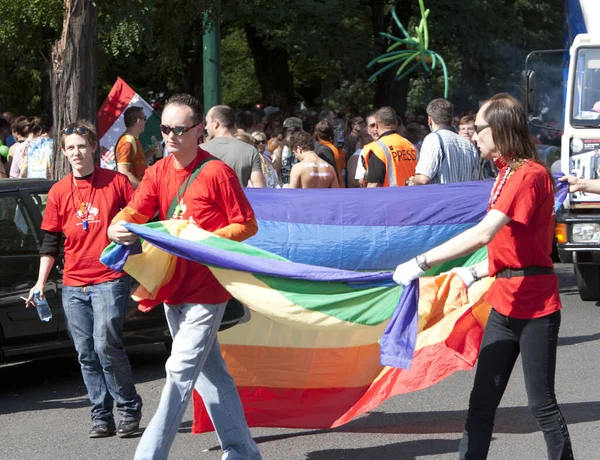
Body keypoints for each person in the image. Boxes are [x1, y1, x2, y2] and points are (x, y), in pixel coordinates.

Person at [393, 93, 574, 460]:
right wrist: (476, 270)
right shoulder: (507, 172)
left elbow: (484, 234)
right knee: (481, 403)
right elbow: (513, 246)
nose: (473, 135)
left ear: (501, 129)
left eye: (478, 128)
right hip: (505, 301)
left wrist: (421, 261)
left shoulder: (528, 174)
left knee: (541, 405)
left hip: (535, 306)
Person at [107, 94, 262, 460]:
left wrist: (202, 239)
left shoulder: (216, 172)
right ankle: (243, 452)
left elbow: (248, 224)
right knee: (212, 376)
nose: (171, 136)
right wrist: (117, 227)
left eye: (179, 129)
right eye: (165, 129)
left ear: (198, 132)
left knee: (178, 372)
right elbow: (134, 211)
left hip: (207, 292)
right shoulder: (159, 170)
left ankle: (148, 456)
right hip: (171, 289)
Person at [25, 120, 142, 438]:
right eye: (70, 147)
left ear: (93, 148)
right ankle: (100, 415)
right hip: (73, 284)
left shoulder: (116, 183)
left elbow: (142, 218)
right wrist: (39, 283)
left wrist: (134, 245)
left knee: (107, 344)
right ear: (64, 153)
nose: (77, 152)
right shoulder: (59, 192)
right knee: (86, 352)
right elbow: (50, 243)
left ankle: (128, 407)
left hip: (110, 277)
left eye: (82, 145)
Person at [410, 99, 480, 185]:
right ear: (451, 120)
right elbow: (475, 180)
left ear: (430, 120)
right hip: (465, 197)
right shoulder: (469, 145)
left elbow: (423, 179)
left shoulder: (433, 139)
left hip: (441, 197)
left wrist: (412, 180)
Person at [201, 104, 266, 188]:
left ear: (216, 124)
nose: (206, 127)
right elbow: (260, 188)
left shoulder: (200, 150)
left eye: (207, 122)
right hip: (238, 200)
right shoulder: (250, 150)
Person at [364, 106, 417, 187]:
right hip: (413, 197)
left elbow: (373, 186)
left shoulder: (378, 148)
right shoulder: (411, 146)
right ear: (396, 124)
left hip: (390, 198)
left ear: (377, 125)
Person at [115, 106, 150, 188]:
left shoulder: (132, 139)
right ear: (138, 121)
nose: (145, 121)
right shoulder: (127, 141)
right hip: (132, 196)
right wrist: (143, 189)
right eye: (144, 118)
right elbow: (123, 172)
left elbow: (137, 163)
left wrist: (151, 152)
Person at [314, 119, 345, 187]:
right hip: (339, 187)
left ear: (316, 134)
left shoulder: (316, 151)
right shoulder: (339, 150)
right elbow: (342, 166)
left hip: (327, 188)